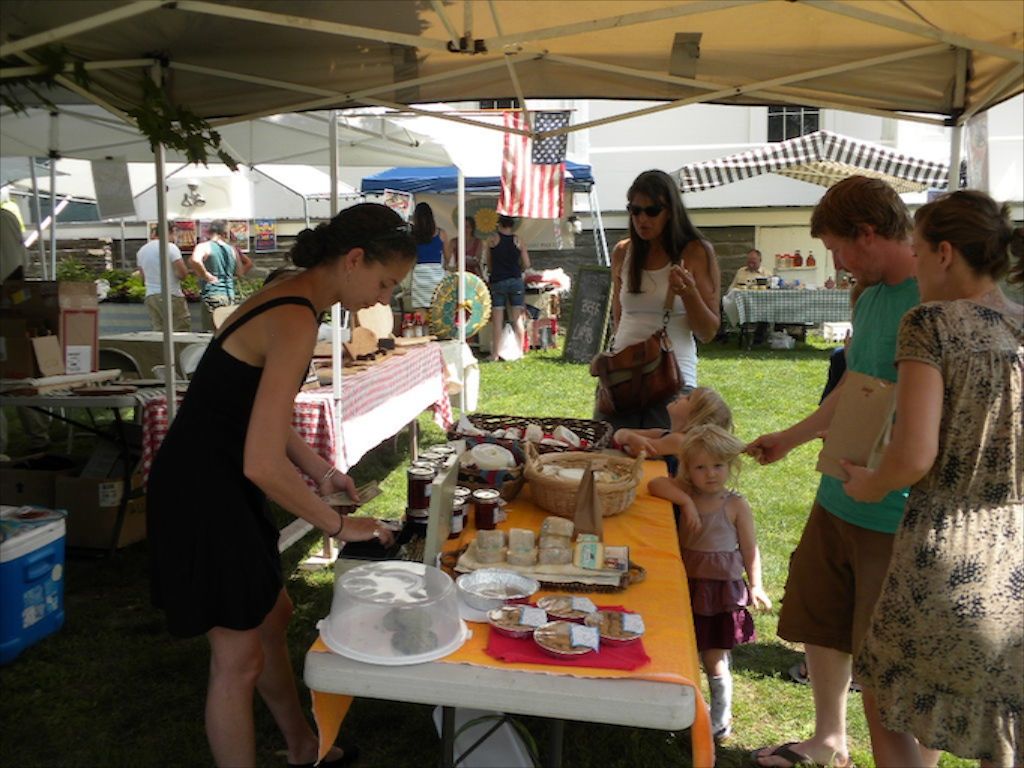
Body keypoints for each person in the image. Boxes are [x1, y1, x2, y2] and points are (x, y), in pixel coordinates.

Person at [147, 203, 413, 768]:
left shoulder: (293, 297)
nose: (385, 299)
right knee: (237, 658)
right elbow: (261, 464)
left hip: (212, 482)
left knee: (273, 615)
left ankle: (302, 746)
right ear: (354, 259)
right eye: (385, 283)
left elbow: (263, 415)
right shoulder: (295, 316)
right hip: (203, 492)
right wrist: (340, 525)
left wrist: (323, 472)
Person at [747, 176, 924, 768]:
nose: (839, 264)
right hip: (839, 494)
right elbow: (854, 385)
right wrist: (793, 439)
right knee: (822, 617)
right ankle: (828, 740)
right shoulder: (870, 297)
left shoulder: (932, 297)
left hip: (895, 511)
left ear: (868, 235)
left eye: (839, 250)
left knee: (889, 661)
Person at [841, 190, 1023, 767]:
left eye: (917, 251)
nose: (913, 264)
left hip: (945, 546)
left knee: (884, 687)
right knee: (1005, 716)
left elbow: (913, 453)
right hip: (1016, 546)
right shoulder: (1019, 326)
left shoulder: (930, 323)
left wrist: (871, 483)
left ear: (945, 253)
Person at [648, 424, 771, 741]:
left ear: (731, 465)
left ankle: (719, 718)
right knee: (681, 647)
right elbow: (656, 484)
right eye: (700, 467)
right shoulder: (686, 494)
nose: (711, 474)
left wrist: (756, 585)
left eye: (718, 465)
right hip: (686, 585)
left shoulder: (735, 505)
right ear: (688, 469)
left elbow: (749, 547)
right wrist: (686, 503)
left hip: (719, 591)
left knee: (713, 657)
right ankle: (677, 710)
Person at [598, 169, 721, 430]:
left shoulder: (696, 251)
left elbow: (708, 331)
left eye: (652, 211)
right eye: (634, 210)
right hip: (622, 378)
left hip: (672, 379)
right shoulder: (623, 252)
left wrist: (689, 293)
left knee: (662, 463)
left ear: (670, 211)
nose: (642, 218)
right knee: (609, 458)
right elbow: (619, 318)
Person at [0, 207, 50, 457]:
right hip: (12, 301)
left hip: (9, 302)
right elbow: (21, 264)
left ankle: (33, 438)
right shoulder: (7, 218)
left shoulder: (5, 218)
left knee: (17, 371)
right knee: (20, 371)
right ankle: (38, 436)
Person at [612, 386, 732, 459]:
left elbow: (636, 450)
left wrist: (627, 437)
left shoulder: (680, 441)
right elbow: (620, 434)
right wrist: (627, 436)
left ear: (695, 418)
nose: (681, 395)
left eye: (688, 398)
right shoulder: (665, 434)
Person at [190, 219, 254, 331]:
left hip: (212, 294)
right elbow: (240, 273)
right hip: (229, 295)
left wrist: (205, 275)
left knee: (210, 334)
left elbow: (195, 260)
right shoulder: (232, 250)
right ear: (225, 234)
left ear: (209, 232)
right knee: (225, 333)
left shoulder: (204, 246)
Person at [485, 215, 531, 361]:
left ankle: (495, 354)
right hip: (515, 280)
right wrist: (519, 269)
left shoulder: (492, 240)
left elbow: (488, 262)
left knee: (497, 320)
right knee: (517, 318)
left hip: (498, 280)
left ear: (498, 224)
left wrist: (493, 272)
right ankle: (520, 352)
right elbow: (527, 263)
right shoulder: (518, 240)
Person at [137, 222, 191, 332]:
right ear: (169, 232)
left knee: (158, 331)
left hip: (151, 295)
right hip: (171, 295)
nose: (174, 237)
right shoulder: (171, 248)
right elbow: (182, 274)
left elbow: (143, 278)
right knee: (180, 330)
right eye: (174, 233)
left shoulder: (142, 250)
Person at [408, 202, 447, 312]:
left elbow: (411, 258)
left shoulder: (413, 235)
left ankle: (420, 330)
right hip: (437, 274)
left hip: (419, 274)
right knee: (437, 312)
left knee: (420, 314)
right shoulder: (441, 233)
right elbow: (448, 257)